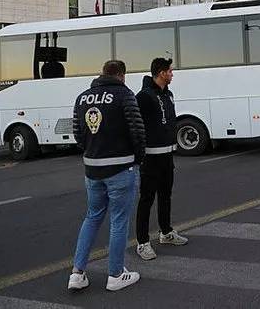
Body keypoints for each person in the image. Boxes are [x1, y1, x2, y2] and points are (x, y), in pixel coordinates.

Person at [68, 60, 145, 292]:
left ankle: (77, 273)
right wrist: (138, 158)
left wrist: (92, 150)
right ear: (122, 75)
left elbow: (78, 134)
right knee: (119, 221)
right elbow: (137, 130)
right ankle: (116, 274)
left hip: (92, 169)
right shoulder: (125, 95)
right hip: (121, 167)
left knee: (91, 218)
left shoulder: (82, 98)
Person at [135, 58, 187, 261]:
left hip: (167, 155)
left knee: (166, 195)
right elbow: (137, 127)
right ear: (161, 72)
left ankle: (166, 233)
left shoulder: (169, 95)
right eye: (170, 71)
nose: (172, 74)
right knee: (146, 199)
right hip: (150, 157)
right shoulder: (144, 97)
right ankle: (142, 242)